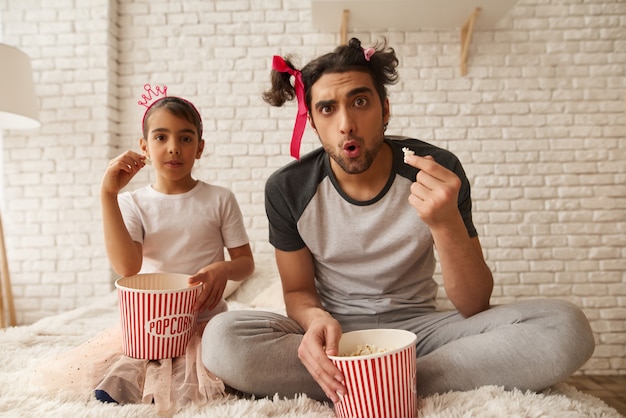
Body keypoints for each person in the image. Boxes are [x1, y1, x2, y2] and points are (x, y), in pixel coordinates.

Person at [201, 38, 595, 404]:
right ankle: (387, 380)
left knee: (566, 327)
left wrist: (445, 223)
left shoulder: (436, 172)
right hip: (337, 337)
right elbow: (299, 293)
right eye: (327, 109)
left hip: (420, 334)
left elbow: (475, 304)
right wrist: (315, 318)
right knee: (222, 339)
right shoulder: (287, 189)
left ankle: (381, 380)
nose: (346, 124)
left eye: (360, 102)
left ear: (385, 109)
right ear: (313, 122)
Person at [34, 89, 255, 415]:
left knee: (209, 369)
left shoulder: (219, 199)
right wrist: (108, 194)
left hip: (204, 320)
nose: (173, 148)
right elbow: (127, 266)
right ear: (144, 147)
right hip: (149, 324)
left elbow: (245, 263)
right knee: (132, 366)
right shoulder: (134, 202)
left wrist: (223, 269)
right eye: (161, 137)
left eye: (185, 138)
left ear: (200, 148)